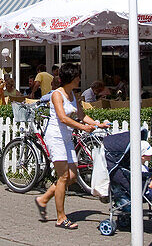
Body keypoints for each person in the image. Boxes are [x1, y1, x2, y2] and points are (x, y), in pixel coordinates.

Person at [33, 62, 108, 230]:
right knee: (63, 177)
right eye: (77, 77)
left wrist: (97, 124)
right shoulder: (57, 95)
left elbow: (81, 115)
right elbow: (63, 118)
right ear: (70, 79)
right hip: (55, 137)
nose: (79, 79)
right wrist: (83, 127)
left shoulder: (74, 95)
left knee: (72, 176)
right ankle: (61, 217)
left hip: (66, 138)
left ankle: (43, 199)